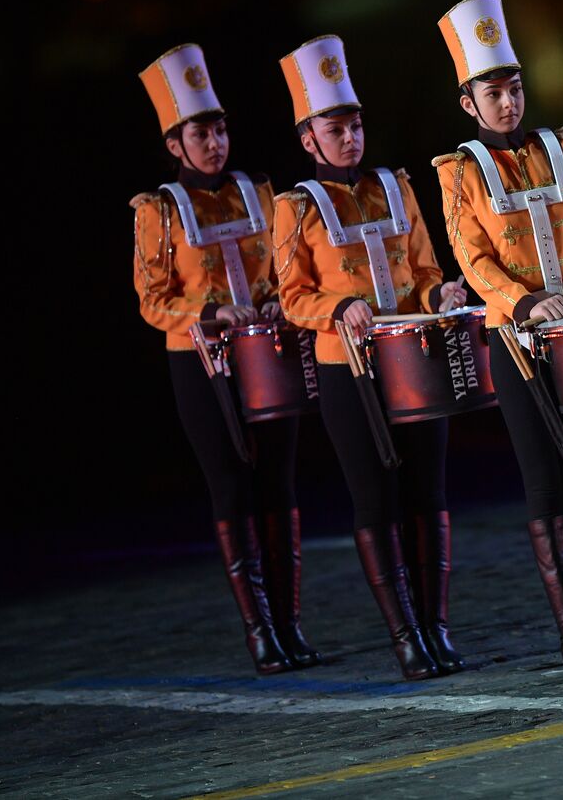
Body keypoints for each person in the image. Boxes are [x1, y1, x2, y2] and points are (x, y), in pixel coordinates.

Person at [432, 0, 563, 678]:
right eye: (495, 92)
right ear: (469, 103)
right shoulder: (457, 170)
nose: (509, 102)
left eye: (515, 88)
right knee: (546, 484)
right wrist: (524, 303)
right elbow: (470, 254)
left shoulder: (561, 147)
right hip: (517, 341)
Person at [273, 35, 469, 679]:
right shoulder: (295, 207)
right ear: (309, 138)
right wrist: (336, 308)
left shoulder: (395, 186)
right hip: (347, 371)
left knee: (429, 492)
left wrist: (440, 289)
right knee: (375, 498)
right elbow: (292, 296)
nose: (351, 137)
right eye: (336, 128)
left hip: (410, 356)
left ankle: (437, 625)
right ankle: (405, 633)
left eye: (356, 125)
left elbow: (423, 266)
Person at [133, 43, 320, 675]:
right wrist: (210, 318)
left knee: (278, 483)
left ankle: (290, 623)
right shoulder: (158, 210)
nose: (214, 142)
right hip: (200, 362)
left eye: (218, 129)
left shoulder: (257, 191)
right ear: (174, 144)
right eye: (199, 133)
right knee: (230, 485)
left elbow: (286, 266)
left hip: (265, 352)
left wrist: (273, 304)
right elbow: (152, 300)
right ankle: (259, 629)